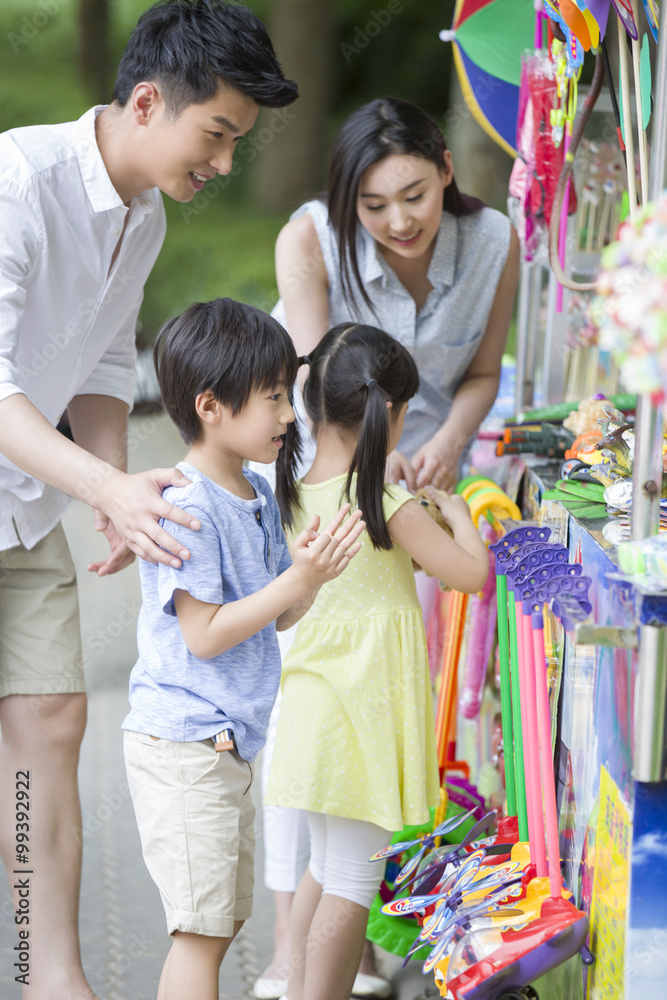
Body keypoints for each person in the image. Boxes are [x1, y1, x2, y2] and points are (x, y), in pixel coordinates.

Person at [0, 3, 297, 997]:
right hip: (27, 459)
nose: (220, 163)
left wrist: (116, 489)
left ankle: (50, 977)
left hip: (29, 498)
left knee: (50, 721)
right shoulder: (18, 182)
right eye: (215, 134)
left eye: (234, 144)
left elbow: (106, 362)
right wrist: (103, 484)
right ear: (144, 101)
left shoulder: (147, 215)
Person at [253, 96, 519, 999]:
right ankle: (300, 970)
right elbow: (313, 371)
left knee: (332, 843)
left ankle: (306, 975)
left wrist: (441, 443)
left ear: (447, 168)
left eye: (413, 194)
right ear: (344, 204)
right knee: (344, 863)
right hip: (364, 648)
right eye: (373, 206)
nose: (399, 221)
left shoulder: (495, 245)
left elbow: (478, 374)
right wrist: (434, 501)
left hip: (353, 550)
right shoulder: (308, 245)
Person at [122, 298, 365, 1000]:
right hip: (183, 746)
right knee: (198, 938)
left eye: (287, 395)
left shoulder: (256, 491)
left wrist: (311, 580)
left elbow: (273, 622)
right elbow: (204, 636)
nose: (290, 415)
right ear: (210, 407)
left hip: (224, 747)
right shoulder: (188, 505)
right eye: (274, 398)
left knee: (217, 928)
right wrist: (298, 576)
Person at [264, 322, 489, 1000]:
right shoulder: (388, 505)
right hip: (362, 719)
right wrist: (456, 510)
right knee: (352, 882)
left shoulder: (295, 490)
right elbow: (471, 575)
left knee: (325, 868)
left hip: (310, 708)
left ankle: (298, 986)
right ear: (388, 414)